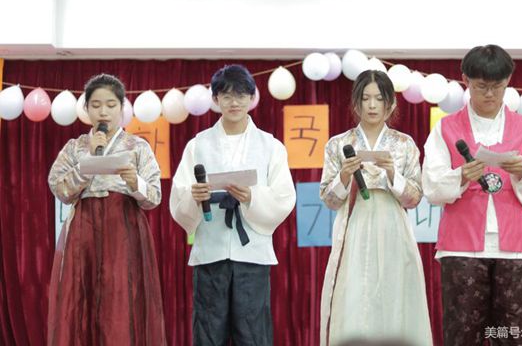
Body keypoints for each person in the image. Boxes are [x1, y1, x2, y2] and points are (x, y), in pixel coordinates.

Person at [422, 45, 522, 345]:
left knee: (513, 335)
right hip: (461, 246)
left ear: (508, 81)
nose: (489, 94)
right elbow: (431, 185)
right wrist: (461, 176)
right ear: (465, 80)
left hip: (515, 247)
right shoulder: (445, 129)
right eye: (481, 86)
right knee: (461, 334)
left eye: (497, 86)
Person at [169, 64, 296, 345]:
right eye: (226, 96)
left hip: (253, 253)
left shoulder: (271, 146)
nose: (234, 102)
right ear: (215, 100)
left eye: (240, 95)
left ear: (252, 97)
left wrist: (252, 197)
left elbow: (284, 196)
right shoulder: (198, 144)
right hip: (210, 252)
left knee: (253, 335)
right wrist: (194, 196)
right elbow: (179, 195)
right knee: (208, 334)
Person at [47, 74, 166, 345]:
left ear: (121, 108)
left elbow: (154, 197)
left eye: (111, 105)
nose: (103, 112)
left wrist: (135, 183)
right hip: (84, 229)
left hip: (123, 228)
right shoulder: (75, 147)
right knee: (81, 296)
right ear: (86, 108)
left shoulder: (137, 146)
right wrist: (87, 162)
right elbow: (59, 188)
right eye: (96, 105)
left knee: (121, 297)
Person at [319, 70, 433, 346]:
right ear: (356, 102)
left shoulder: (404, 144)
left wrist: (393, 174)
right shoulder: (338, 144)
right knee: (353, 296)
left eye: (379, 99)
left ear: (390, 104)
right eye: (366, 98)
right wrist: (344, 175)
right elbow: (329, 200)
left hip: (393, 229)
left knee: (396, 297)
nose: (372, 105)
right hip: (353, 227)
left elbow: (415, 198)